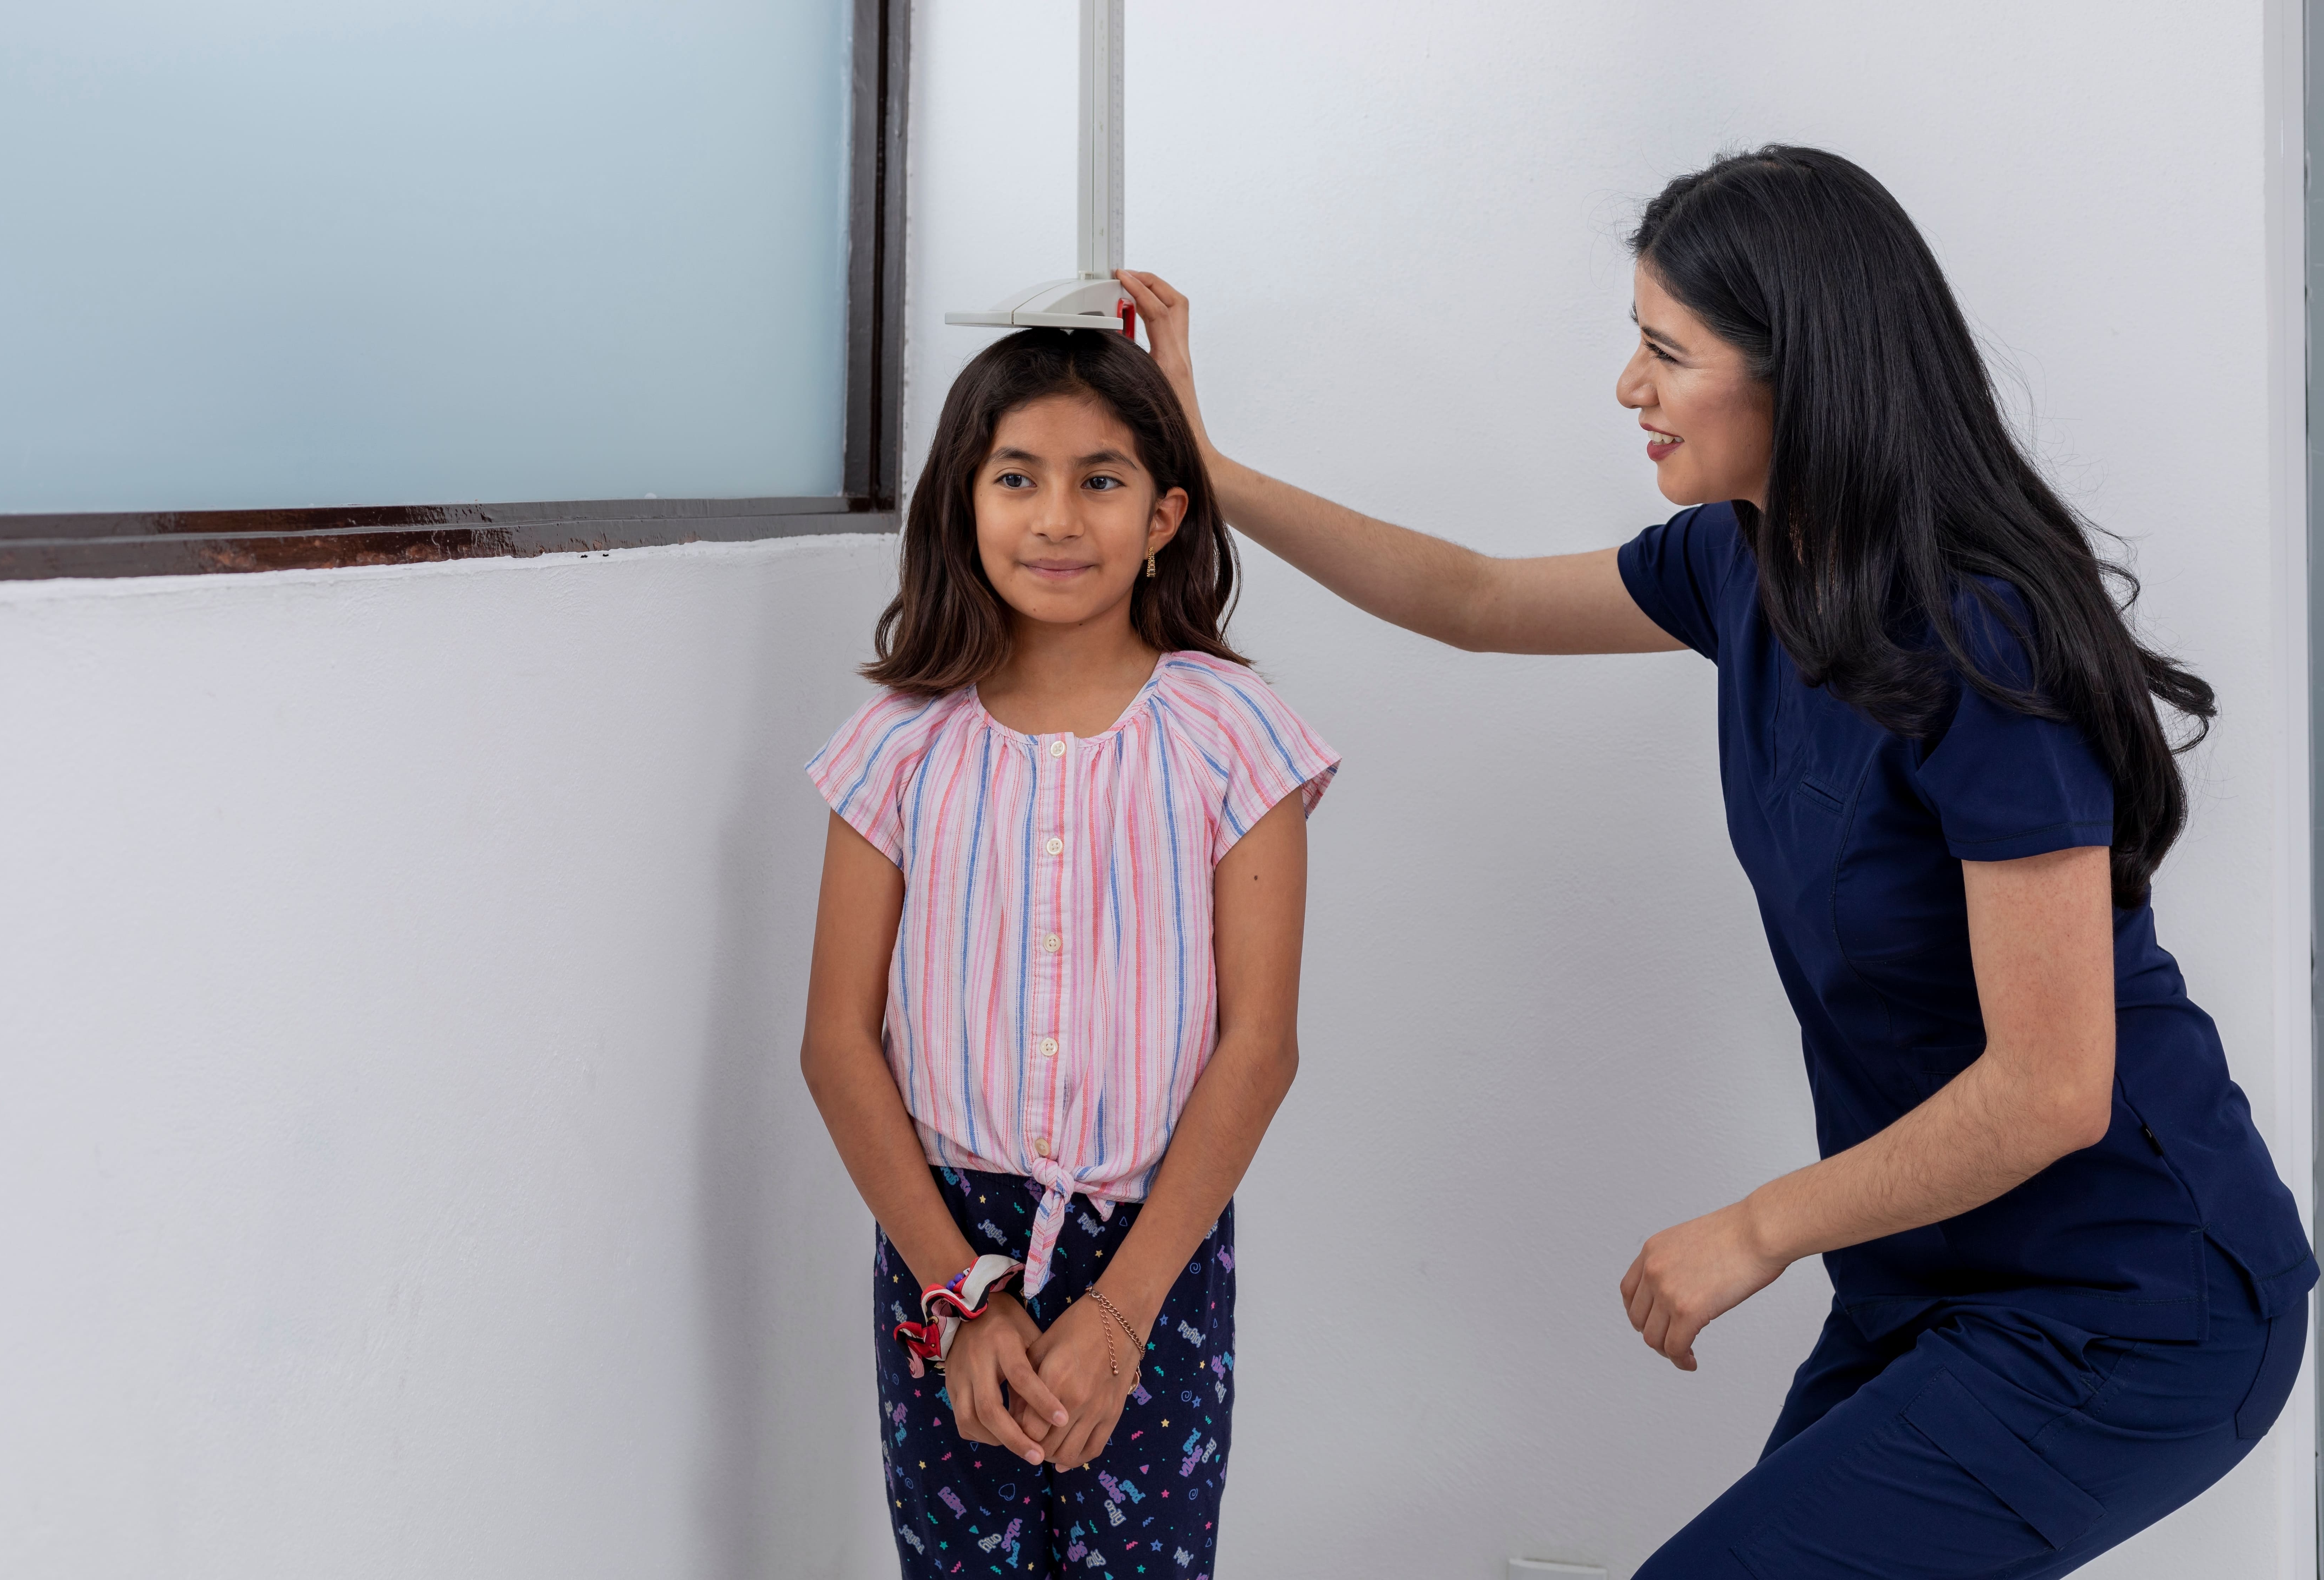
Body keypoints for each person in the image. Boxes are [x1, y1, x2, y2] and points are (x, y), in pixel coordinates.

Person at [1113, 145, 2316, 1578]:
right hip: (1930, 1279)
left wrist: (1757, 1229)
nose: (1630, 386)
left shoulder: (1980, 644)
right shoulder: (1742, 561)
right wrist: (1206, 469)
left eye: (1669, 352)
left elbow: (2054, 1088)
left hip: (2133, 1305)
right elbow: (1474, 598)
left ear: (1803, 371)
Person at [799, 327, 1338, 1578]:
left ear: (1165, 516)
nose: (1056, 517)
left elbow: (1260, 1045)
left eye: (1100, 479)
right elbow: (837, 1042)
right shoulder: (897, 743)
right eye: (1015, 477)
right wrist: (960, 1299)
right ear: (963, 502)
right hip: (942, 1242)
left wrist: (1121, 1311)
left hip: (1157, 1250)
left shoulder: (1233, 732)